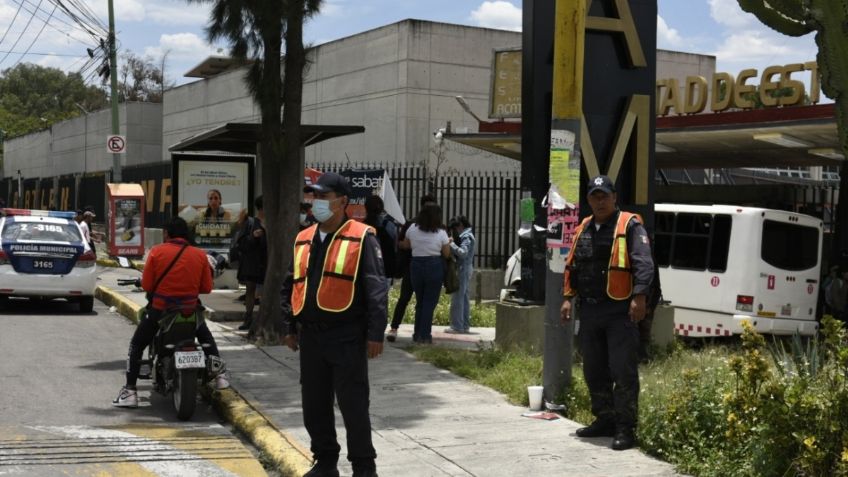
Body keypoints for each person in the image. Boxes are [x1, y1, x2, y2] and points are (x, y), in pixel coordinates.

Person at [280, 172, 387, 477]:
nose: (316, 203)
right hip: (311, 338)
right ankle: (325, 462)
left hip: (347, 337)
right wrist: (289, 326)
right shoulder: (303, 237)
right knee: (314, 405)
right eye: (314, 197)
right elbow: (291, 284)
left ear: (342, 201)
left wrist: (375, 333)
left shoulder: (362, 236)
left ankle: (364, 467)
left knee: (353, 406)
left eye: (324, 197)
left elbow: (376, 288)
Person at [559, 175, 654, 451]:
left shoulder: (630, 225)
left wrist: (639, 297)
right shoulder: (584, 227)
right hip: (590, 309)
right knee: (593, 369)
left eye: (604, 196)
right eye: (594, 196)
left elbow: (643, 263)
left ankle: (626, 428)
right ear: (589, 200)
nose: (599, 201)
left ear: (614, 197)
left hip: (619, 310)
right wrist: (568, 299)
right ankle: (604, 418)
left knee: (622, 371)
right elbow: (572, 266)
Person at [112, 217, 230, 408]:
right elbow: (207, 288)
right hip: (190, 310)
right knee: (205, 336)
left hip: (161, 311)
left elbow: (148, 284)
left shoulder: (157, 252)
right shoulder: (199, 255)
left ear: (167, 233)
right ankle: (221, 376)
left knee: (136, 344)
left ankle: (130, 391)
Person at [386, 194, 437, 342]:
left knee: (424, 303)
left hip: (429, 268)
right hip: (411, 266)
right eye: (427, 207)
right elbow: (401, 243)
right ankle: (394, 327)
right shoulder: (412, 224)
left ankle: (420, 332)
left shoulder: (438, 226)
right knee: (404, 298)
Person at [399, 204, 450, 344]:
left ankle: (417, 334)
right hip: (434, 266)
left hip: (415, 265)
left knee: (420, 302)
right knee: (429, 303)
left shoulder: (412, 229)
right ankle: (425, 335)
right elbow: (446, 254)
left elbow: (406, 245)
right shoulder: (441, 232)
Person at [236, 196, 267, 331]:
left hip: (267, 261)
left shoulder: (273, 223)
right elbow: (241, 244)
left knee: (266, 290)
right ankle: (248, 318)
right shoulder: (250, 223)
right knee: (250, 290)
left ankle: (263, 317)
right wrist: (253, 236)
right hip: (252, 263)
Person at [446, 216, 476, 334]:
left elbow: (463, 253)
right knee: (463, 298)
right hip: (465, 268)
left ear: (460, 226)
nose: (455, 232)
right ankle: (464, 325)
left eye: (455, 228)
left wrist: (452, 244)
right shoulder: (467, 235)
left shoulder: (466, 236)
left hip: (463, 269)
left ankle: (457, 326)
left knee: (458, 297)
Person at [364, 195, 398, 282]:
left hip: (366, 268)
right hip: (386, 268)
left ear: (366, 208)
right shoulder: (389, 225)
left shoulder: (361, 227)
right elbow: (395, 246)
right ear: (382, 208)